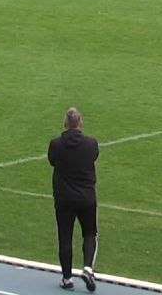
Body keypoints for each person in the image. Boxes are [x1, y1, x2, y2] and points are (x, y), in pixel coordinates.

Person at [48, 107, 100, 292]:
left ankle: (67, 278)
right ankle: (87, 268)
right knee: (89, 233)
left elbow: (52, 161)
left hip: (64, 198)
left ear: (65, 123)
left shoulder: (56, 144)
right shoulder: (91, 144)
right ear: (80, 122)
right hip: (86, 197)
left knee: (65, 237)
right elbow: (93, 157)